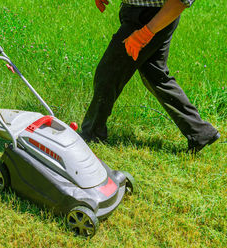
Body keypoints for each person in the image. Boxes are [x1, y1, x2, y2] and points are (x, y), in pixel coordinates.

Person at [80, 0, 220, 153]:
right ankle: (200, 132)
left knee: (109, 72)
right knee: (155, 75)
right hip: (144, 14)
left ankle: (91, 134)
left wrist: (145, 34)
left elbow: (181, 1)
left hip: (151, 18)